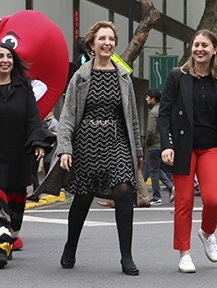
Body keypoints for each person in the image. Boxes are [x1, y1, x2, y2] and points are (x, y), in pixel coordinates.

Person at [55, 21, 142, 276]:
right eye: (102, 38)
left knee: (124, 189)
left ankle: (126, 256)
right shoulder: (81, 76)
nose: (108, 43)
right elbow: (68, 115)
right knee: (83, 196)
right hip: (86, 142)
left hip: (117, 141)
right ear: (92, 44)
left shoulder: (123, 76)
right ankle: (70, 246)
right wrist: (65, 148)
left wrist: (137, 150)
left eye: (112, 39)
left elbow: (132, 117)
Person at [159, 29, 217, 273]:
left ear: (214, 50)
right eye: (196, 44)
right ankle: (184, 254)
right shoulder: (177, 76)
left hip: (211, 147)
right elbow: (164, 113)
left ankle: (207, 233)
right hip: (183, 147)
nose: (199, 49)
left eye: (204, 45)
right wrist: (167, 145)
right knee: (184, 201)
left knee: (214, 200)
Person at [0, 43, 54, 268]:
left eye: (9, 56)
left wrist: (38, 143)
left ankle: (9, 239)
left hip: (19, 155)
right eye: (0, 56)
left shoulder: (24, 88)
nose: (5, 60)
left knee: (15, 204)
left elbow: (33, 119)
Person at [145, 88, 175, 205]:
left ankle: (156, 197)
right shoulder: (162, 109)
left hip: (154, 146)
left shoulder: (153, 112)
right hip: (163, 144)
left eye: (147, 97)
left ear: (153, 99)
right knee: (158, 170)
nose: (146, 99)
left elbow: (150, 131)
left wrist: (146, 143)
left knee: (153, 172)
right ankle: (171, 186)